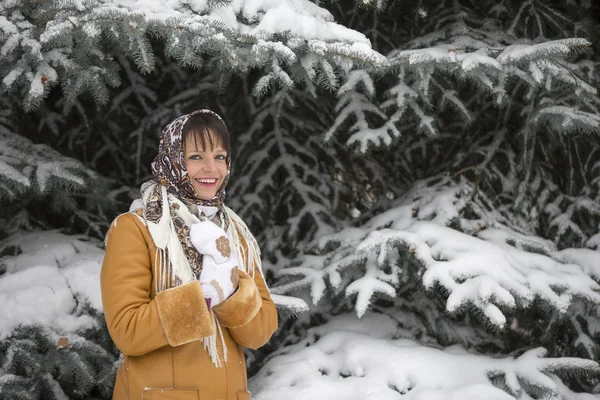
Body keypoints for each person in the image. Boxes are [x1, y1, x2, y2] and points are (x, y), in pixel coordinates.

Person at [101, 109, 278, 400]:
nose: (212, 169)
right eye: (196, 157)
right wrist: (205, 295)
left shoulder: (235, 234)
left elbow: (260, 332)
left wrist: (231, 292)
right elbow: (127, 331)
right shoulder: (137, 229)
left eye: (219, 157)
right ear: (173, 160)